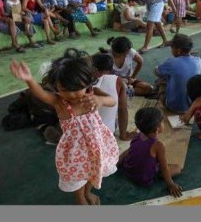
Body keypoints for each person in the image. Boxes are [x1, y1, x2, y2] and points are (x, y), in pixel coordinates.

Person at [10, 48, 119, 205]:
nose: (72, 95)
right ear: (56, 87)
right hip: (74, 151)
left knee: (95, 170)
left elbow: (112, 101)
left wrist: (100, 100)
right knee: (77, 178)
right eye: (65, 90)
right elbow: (41, 93)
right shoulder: (59, 102)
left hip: (97, 145)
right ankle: (80, 198)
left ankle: (88, 192)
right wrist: (29, 79)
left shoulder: (93, 93)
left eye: (78, 88)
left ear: (88, 83)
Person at [118, 107, 182, 197]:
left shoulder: (138, 135)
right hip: (143, 179)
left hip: (128, 170)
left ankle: (116, 164)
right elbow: (164, 168)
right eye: (162, 122)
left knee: (128, 151)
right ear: (157, 129)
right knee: (178, 168)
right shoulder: (158, 145)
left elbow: (130, 152)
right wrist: (171, 184)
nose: (163, 124)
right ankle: (156, 176)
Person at [92, 53, 136, 141]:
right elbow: (122, 109)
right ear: (111, 69)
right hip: (106, 134)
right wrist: (123, 135)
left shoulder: (77, 84)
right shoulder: (117, 81)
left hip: (82, 136)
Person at [154, 34, 201, 113]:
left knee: (161, 79)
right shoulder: (198, 60)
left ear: (178, 50)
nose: (171, 51)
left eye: (172, 48)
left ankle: (162, 102)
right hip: (191, 106)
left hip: (174, 107)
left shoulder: (171, 62)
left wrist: (160, 66)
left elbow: (156, 72)